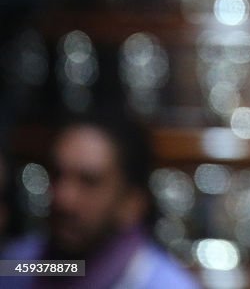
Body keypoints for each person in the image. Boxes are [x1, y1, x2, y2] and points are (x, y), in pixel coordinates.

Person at [0, 110, 199, 289]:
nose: (64, 198)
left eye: (89, 182)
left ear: (132, 203)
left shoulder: (164, 284)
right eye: (57, 174)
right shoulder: (18, 264)